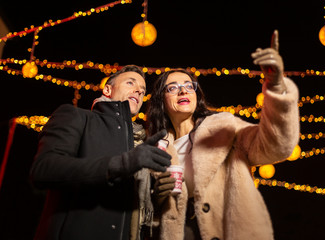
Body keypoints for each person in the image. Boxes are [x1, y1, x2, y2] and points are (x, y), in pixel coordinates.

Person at [146, 30, 300, 240]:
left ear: (196, 94)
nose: (183, 91)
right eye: (172, 88)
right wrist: (156, 199)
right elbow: (144, 217)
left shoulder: (223, 128)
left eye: (188, 86)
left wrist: (276, 86)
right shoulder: (155, 149)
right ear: (161, 101)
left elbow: (276, 146)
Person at [30, 65, 171, 240]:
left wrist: (157, 192)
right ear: (107, 89)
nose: (138, 91)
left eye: (143, 90)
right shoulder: (76, 116)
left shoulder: (141, 141)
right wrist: (122, 164)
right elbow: (44, 169)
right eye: (130, 83)